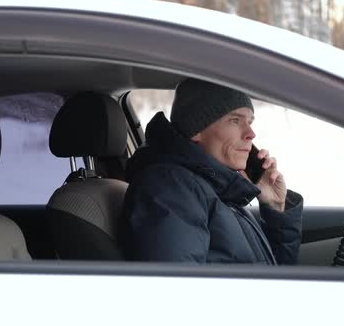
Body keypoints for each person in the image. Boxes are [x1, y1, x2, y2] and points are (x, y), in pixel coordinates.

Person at [122, 78, 303, 264]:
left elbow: (275, 279)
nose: (251, 133)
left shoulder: (217, 187)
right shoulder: (171, 188)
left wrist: (276, 208)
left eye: (249, 121)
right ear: (196, 130)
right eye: (235, 120)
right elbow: (175, 286)